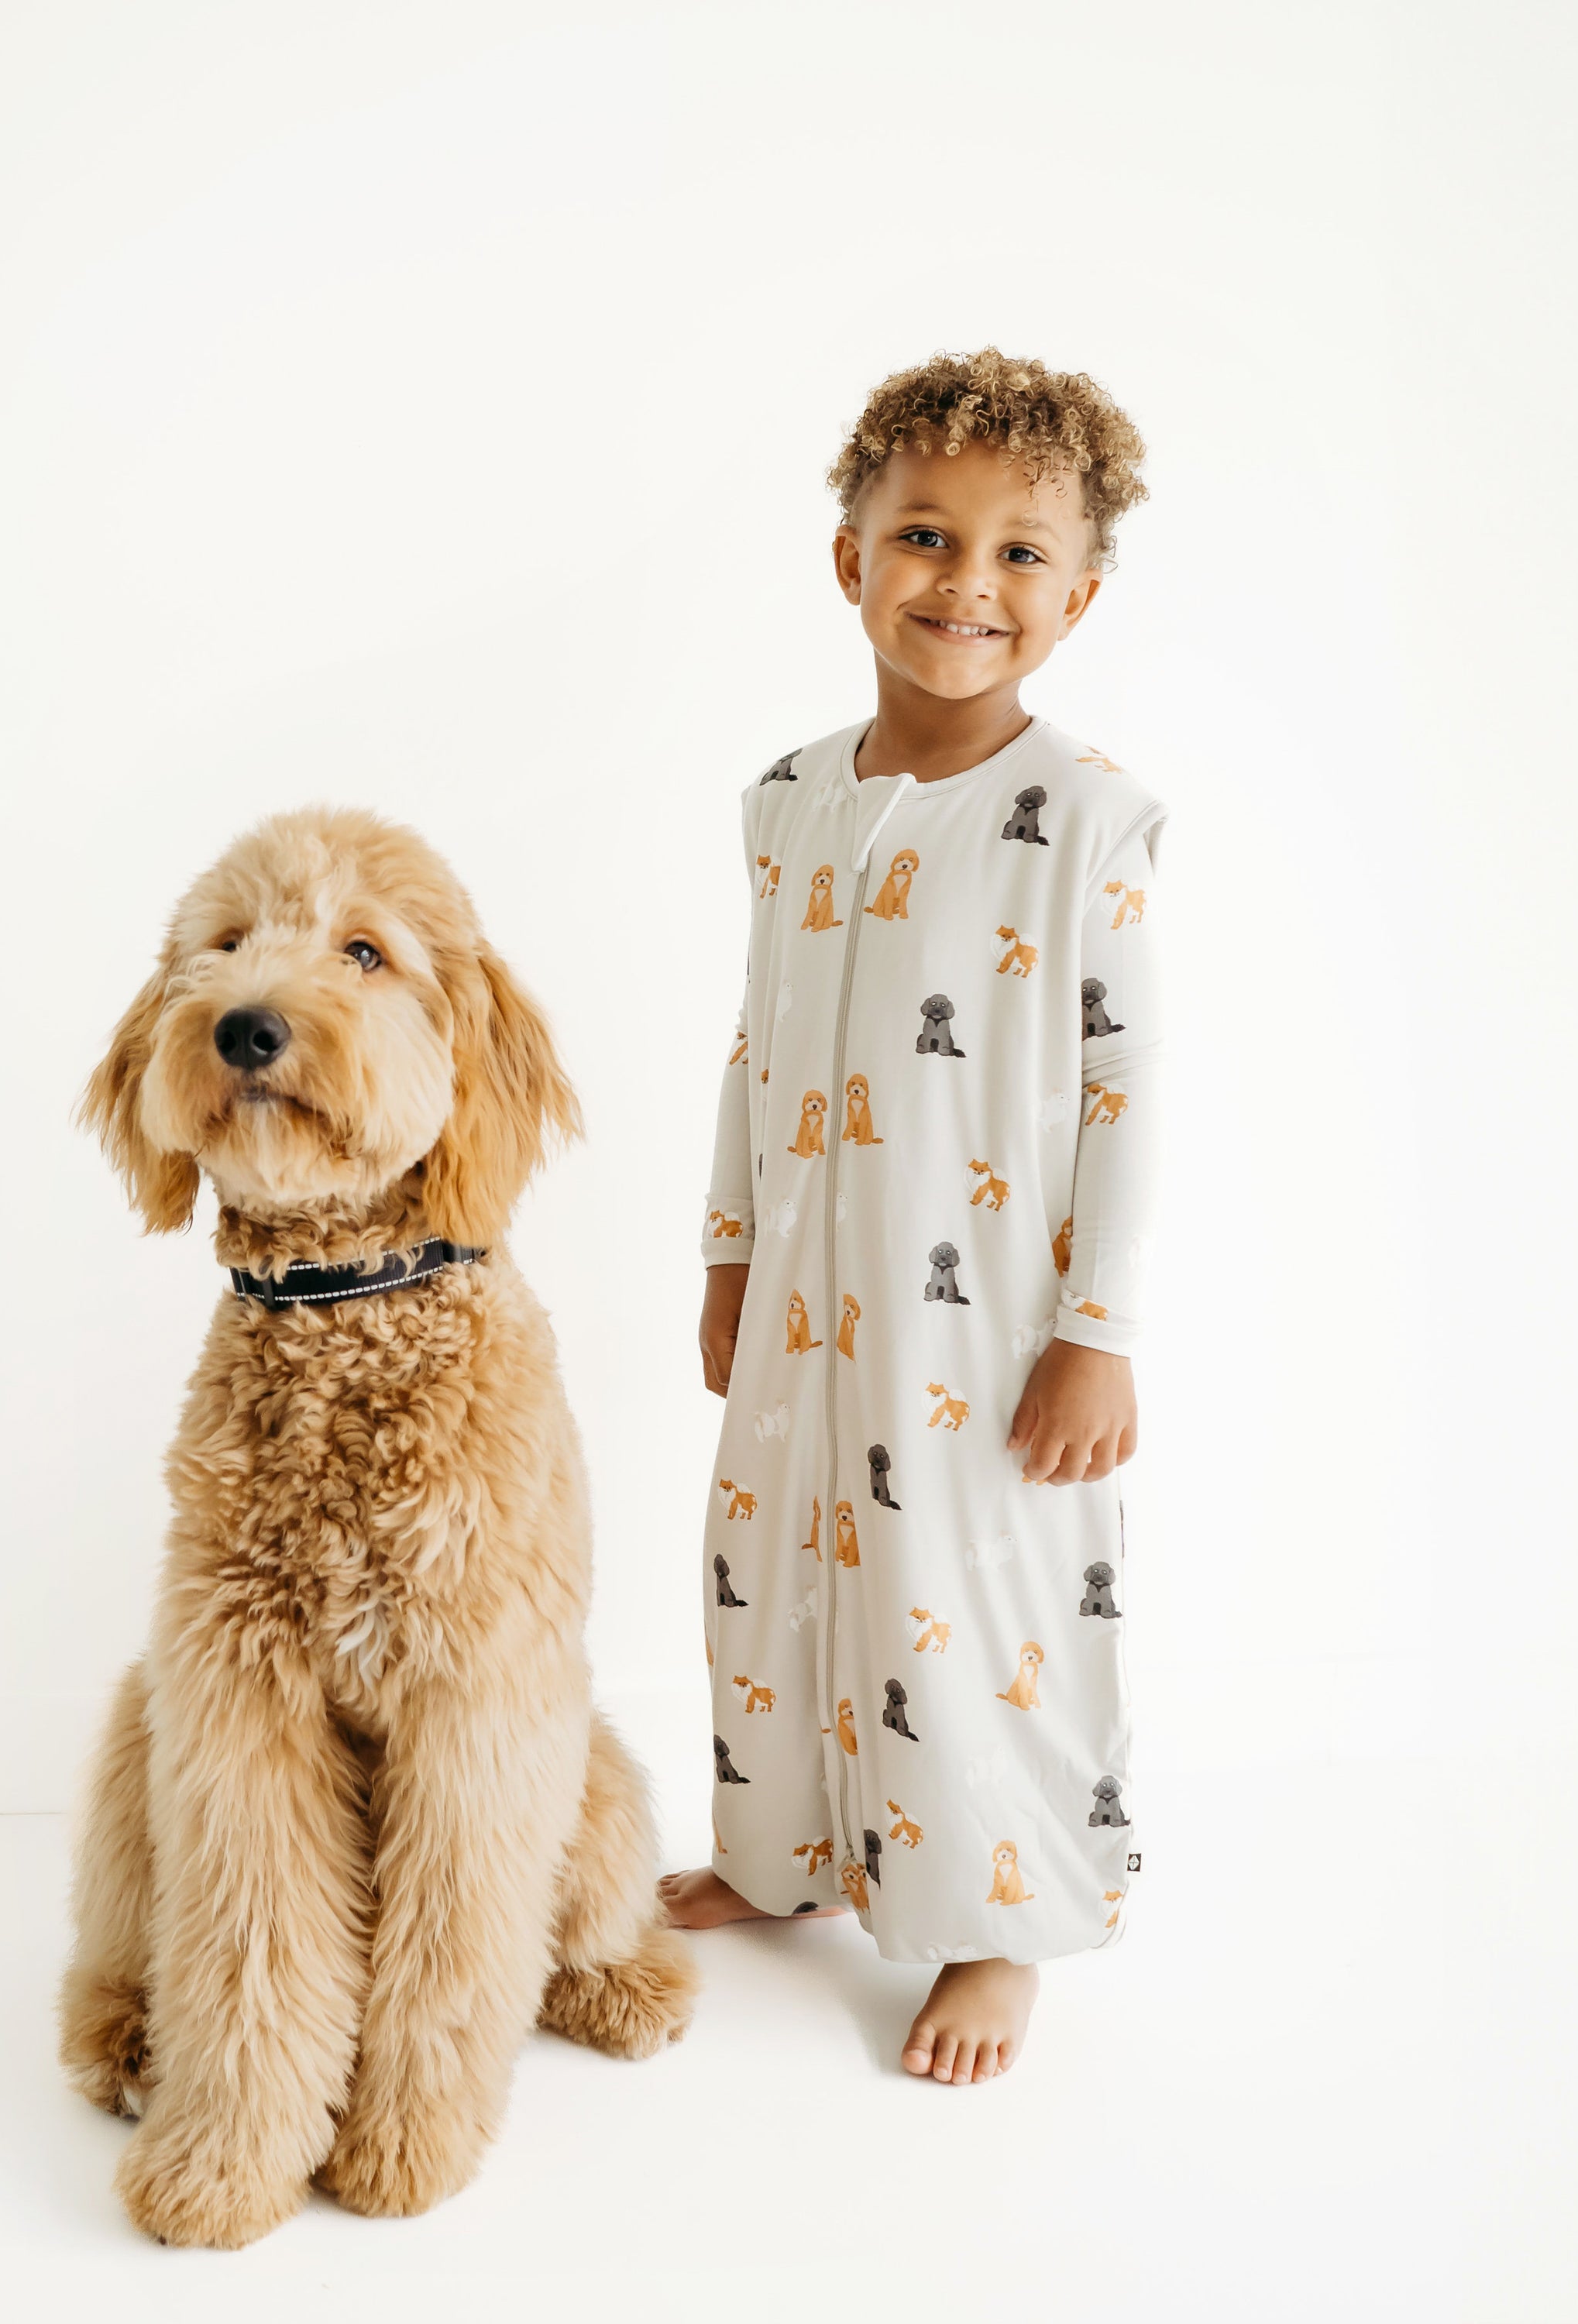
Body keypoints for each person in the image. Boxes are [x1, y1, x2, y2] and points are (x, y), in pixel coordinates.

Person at [660, 350, 1165, 2089]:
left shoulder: (1082, 819)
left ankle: (996, 1918)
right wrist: (730, 1244)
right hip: (805, 1286)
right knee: (774, 1560)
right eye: (926, 536)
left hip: (980, 1318)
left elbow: (1126, 1092)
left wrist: (1096, 1329)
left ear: (1079, 594)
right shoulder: (793, 801)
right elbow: (755, 1038)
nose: (967, 584)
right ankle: (787, 1850)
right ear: (850, 557)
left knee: (970, 1592)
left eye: (1021, 555)